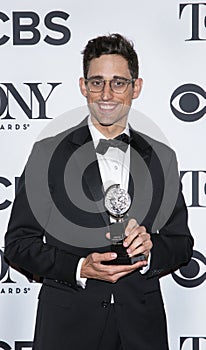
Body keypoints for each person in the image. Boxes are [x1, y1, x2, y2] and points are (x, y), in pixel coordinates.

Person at [4, 33, 194, 350]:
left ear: (137, 87)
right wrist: (79, 268)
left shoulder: (162, 157)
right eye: (97, 82)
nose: (106, 94)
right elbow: (18, 244)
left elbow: (181, 243)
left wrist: (150, 251)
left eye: (118, 83)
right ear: (83, 86)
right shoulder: (48, 154)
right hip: (68, 329)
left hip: (141, 329)